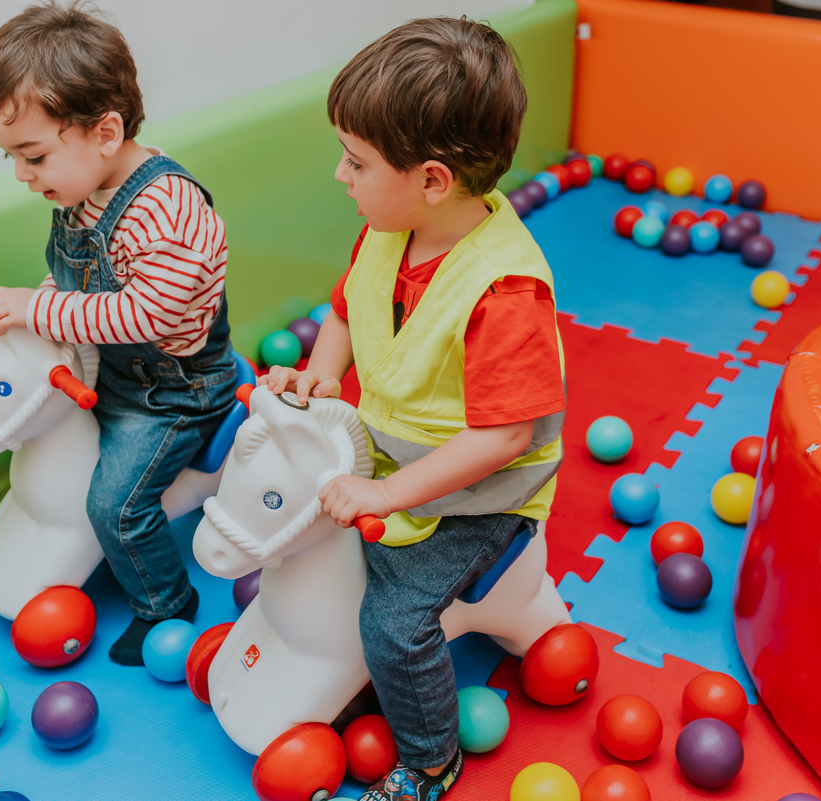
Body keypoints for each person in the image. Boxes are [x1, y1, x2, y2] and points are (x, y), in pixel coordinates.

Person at [261, 17, 566, 801]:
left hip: (480, 498)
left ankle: (430, 759)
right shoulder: (388, 229)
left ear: (432, 179)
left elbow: (505, 436)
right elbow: (342, 311)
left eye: (356, 161)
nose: (340, 176)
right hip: (396, 463)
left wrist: (386, 495)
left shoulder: (505, 292)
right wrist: (324, 377)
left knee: (392, 622)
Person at [0, 1, 236, 665]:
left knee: (114, 504)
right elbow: (80, 283)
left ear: (105, 132)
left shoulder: (166, 210)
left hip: (171, 393)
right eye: (12, 157)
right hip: (111, 370)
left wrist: (39, 309)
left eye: (34, 155)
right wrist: (46, 304)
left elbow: (145, 315)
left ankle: (164, 602)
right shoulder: (82, 189)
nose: (24, 175)